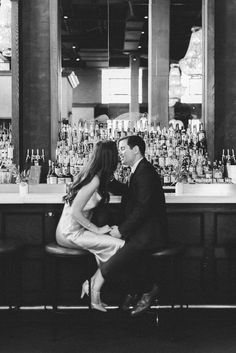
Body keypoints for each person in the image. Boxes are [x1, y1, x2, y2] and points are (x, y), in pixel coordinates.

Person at [101, 135, 169, 316]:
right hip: (139, 233)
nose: (120, 153)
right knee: (113, 261)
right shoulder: (138, 170)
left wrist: (121, 231)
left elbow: (143, 208)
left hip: (149, 235)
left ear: (136, 149)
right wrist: (110, 181)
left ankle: (147, 290)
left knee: (108, 267)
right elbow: (131, 194)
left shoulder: (145, 172)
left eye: (123, 149)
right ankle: (136, 289)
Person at [56, 141, 125, 312]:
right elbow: (75, 212)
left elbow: (120, 188)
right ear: (111, 158)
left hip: (74, 230)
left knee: (115, 243)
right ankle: (94, 290)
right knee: (121, 245)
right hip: (71, 233)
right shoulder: (94, 180)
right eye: (118, 154)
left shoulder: (96, 176)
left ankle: (91, 284)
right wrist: (97, 230)